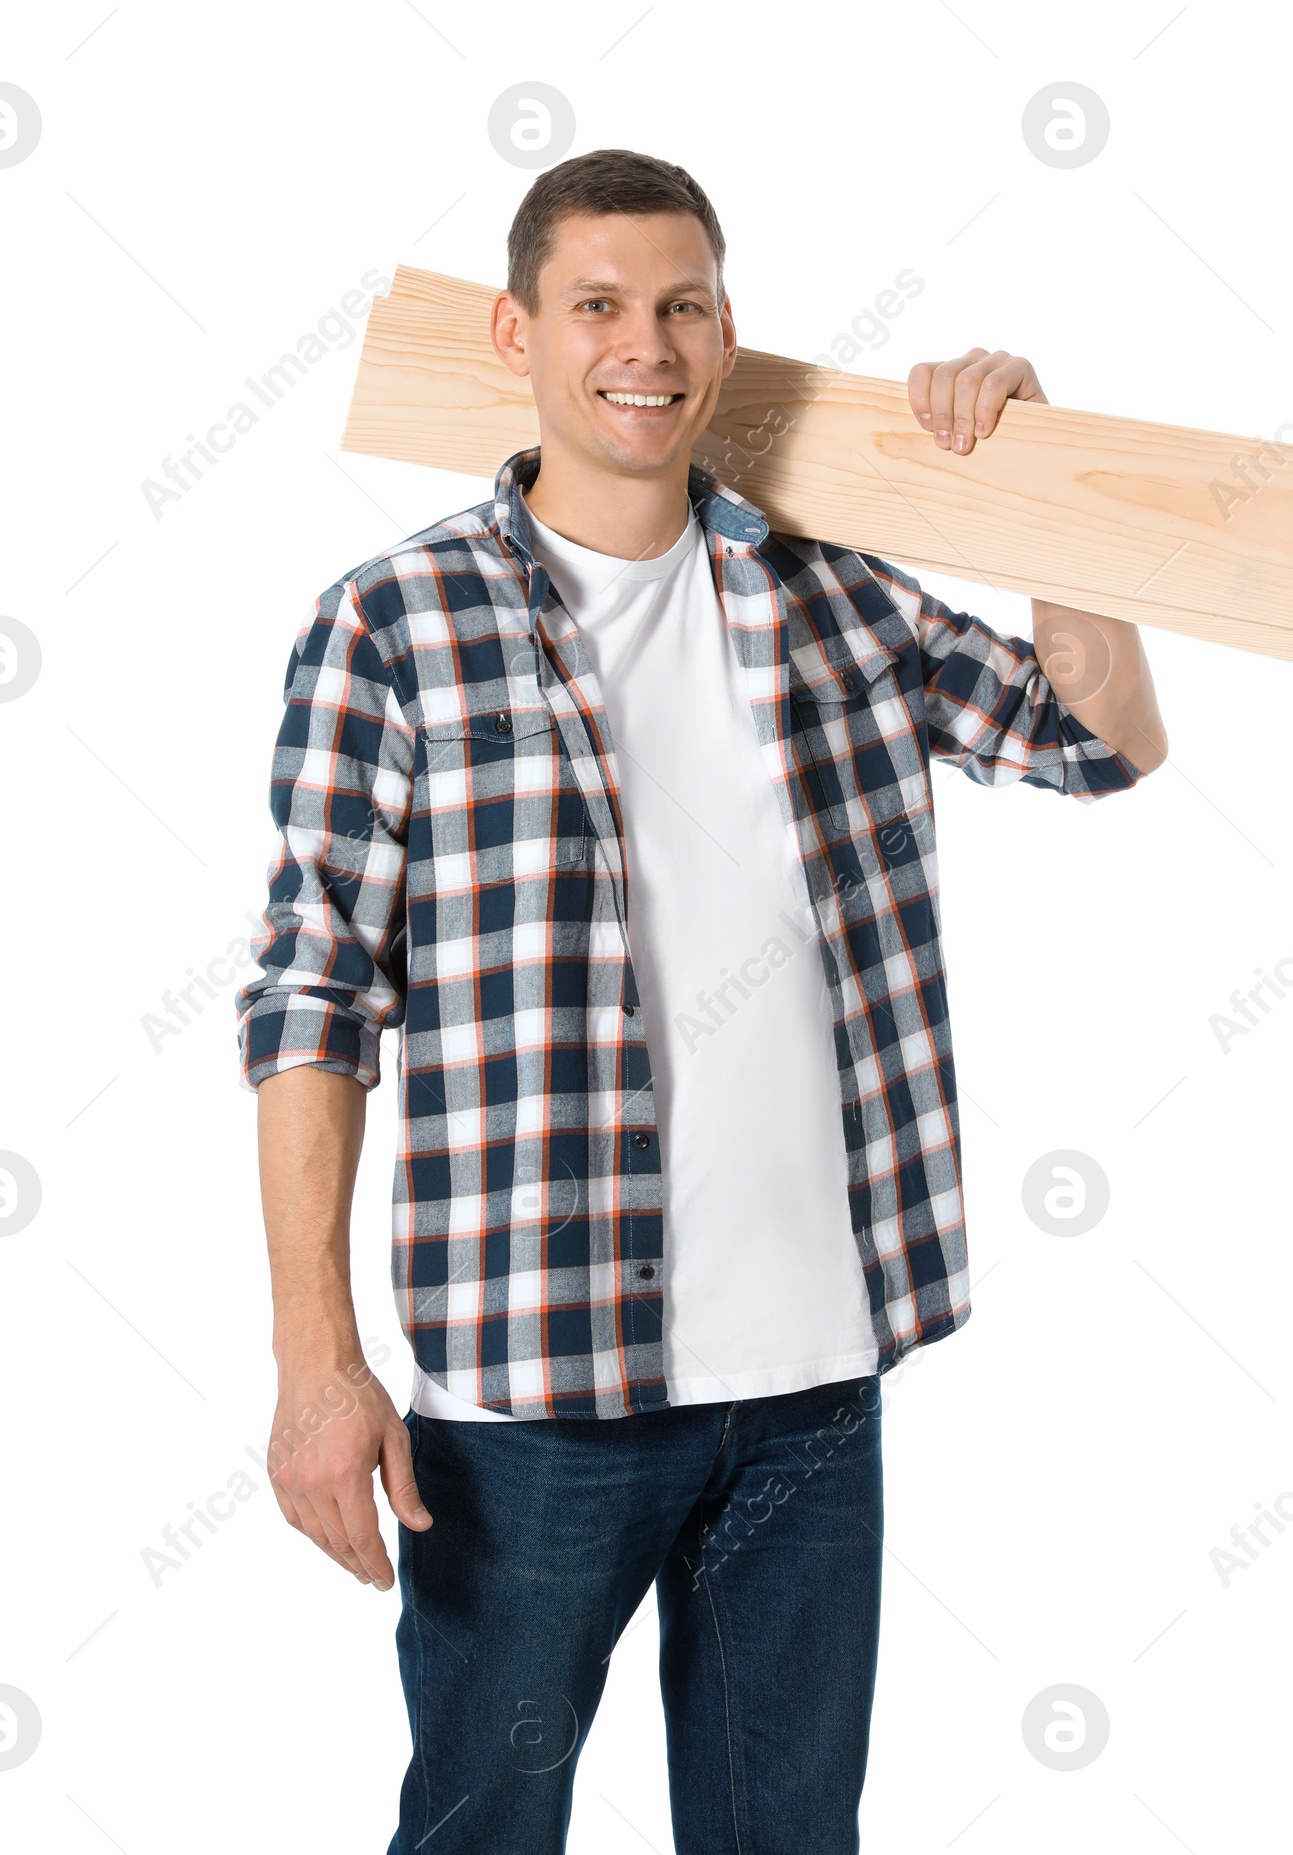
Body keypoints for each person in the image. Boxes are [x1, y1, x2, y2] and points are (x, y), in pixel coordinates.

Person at [237, 146, 1167, 1854]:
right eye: (598, 304)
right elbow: (314, 994)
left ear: (727, 333)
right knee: (480, 1834)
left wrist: (1042, 490)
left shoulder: (832, 593)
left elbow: (1094, 740)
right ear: (518, 332)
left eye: (681, 305)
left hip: (814, 1385)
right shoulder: (395, 623)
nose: (642, 344)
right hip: (534, 1405)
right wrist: (317, 1365)